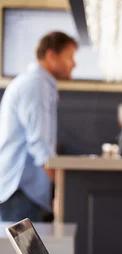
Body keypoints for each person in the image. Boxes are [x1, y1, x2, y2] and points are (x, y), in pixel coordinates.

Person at [0, 31, 77, 222]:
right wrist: (62, 189)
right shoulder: (36, 84)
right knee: (17, 252)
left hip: (24, 190)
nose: (74, 64)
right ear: (51, 56)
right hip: (20, 190)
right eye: (69, 57)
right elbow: (40, 145)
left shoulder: (40, 84)